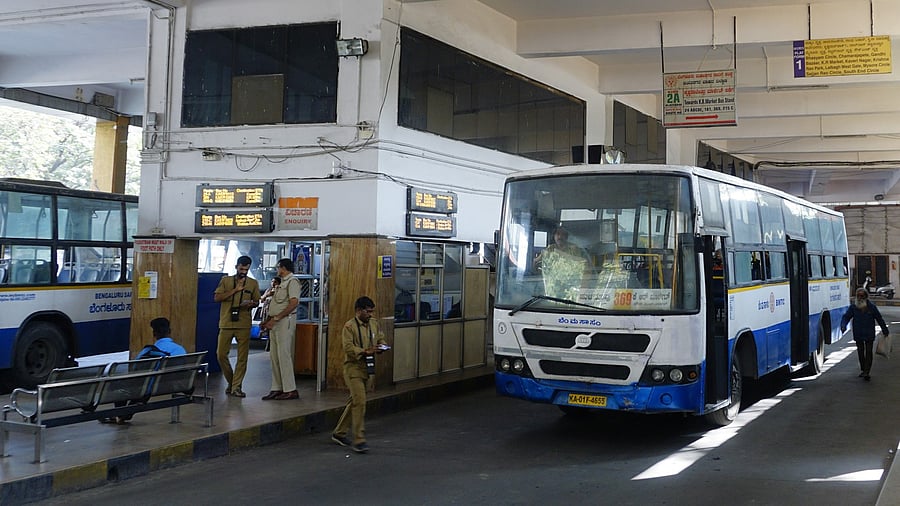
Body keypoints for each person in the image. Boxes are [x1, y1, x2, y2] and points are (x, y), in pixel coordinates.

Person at [101, 317, 186, 424]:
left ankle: (120, 414)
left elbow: (135, 370)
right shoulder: (180, 350)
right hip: (170, 385)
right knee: (144, 388)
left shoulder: (147, 351)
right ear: (169, 332)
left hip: (147, 389)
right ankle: (122, 416)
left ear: (154, 334)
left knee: (124, 386)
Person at [331, 296, 388, 454]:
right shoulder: (349, 327)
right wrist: (365, 351)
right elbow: (348, 348)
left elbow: (380, 337)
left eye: (371, 312)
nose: (370, 314)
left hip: (368, 368)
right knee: (360, 402)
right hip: (353, 368)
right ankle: (359, 439)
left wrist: (382, 346)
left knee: (355, 401)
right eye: (367, 311)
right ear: (358, 311)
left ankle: (339, 433)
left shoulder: (374, 323)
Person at [213, 255, 260, 398]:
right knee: (220, 354)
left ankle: (236, 387)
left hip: (243, 323)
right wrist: (235, 290)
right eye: (241, 269)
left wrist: (252, 303)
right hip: (226, 322)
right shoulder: (226, 281)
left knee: (242, 357)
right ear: (236, 267)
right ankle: (232, 381)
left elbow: (257, 301)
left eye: (246, 269)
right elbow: (217, 298)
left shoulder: (253, 283)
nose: (243, 272)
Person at [259, 258, 301, 400]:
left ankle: (290, 389)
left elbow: (294, 303)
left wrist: (277, 318)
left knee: (284, 356)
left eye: (278, 267)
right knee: (274, 356)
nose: (277, 270)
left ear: (283, 268)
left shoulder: (292, 281)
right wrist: (269, 321)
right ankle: (277, 387)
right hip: (275, 322)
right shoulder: (281, 283)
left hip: (284, 322)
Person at [840, 288, 890, 381]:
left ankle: (867, 371)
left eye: (862, 296)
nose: (860, 298)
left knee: (868, 352)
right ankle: (863, 369)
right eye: (858, 296)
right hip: (858, 333)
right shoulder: (853, 307)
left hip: (869, 333)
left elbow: (879, 319)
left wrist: (885, 330)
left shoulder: (871, 307)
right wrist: (843, 325)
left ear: (866, 297)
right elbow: (846, 317)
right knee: (860, 351)